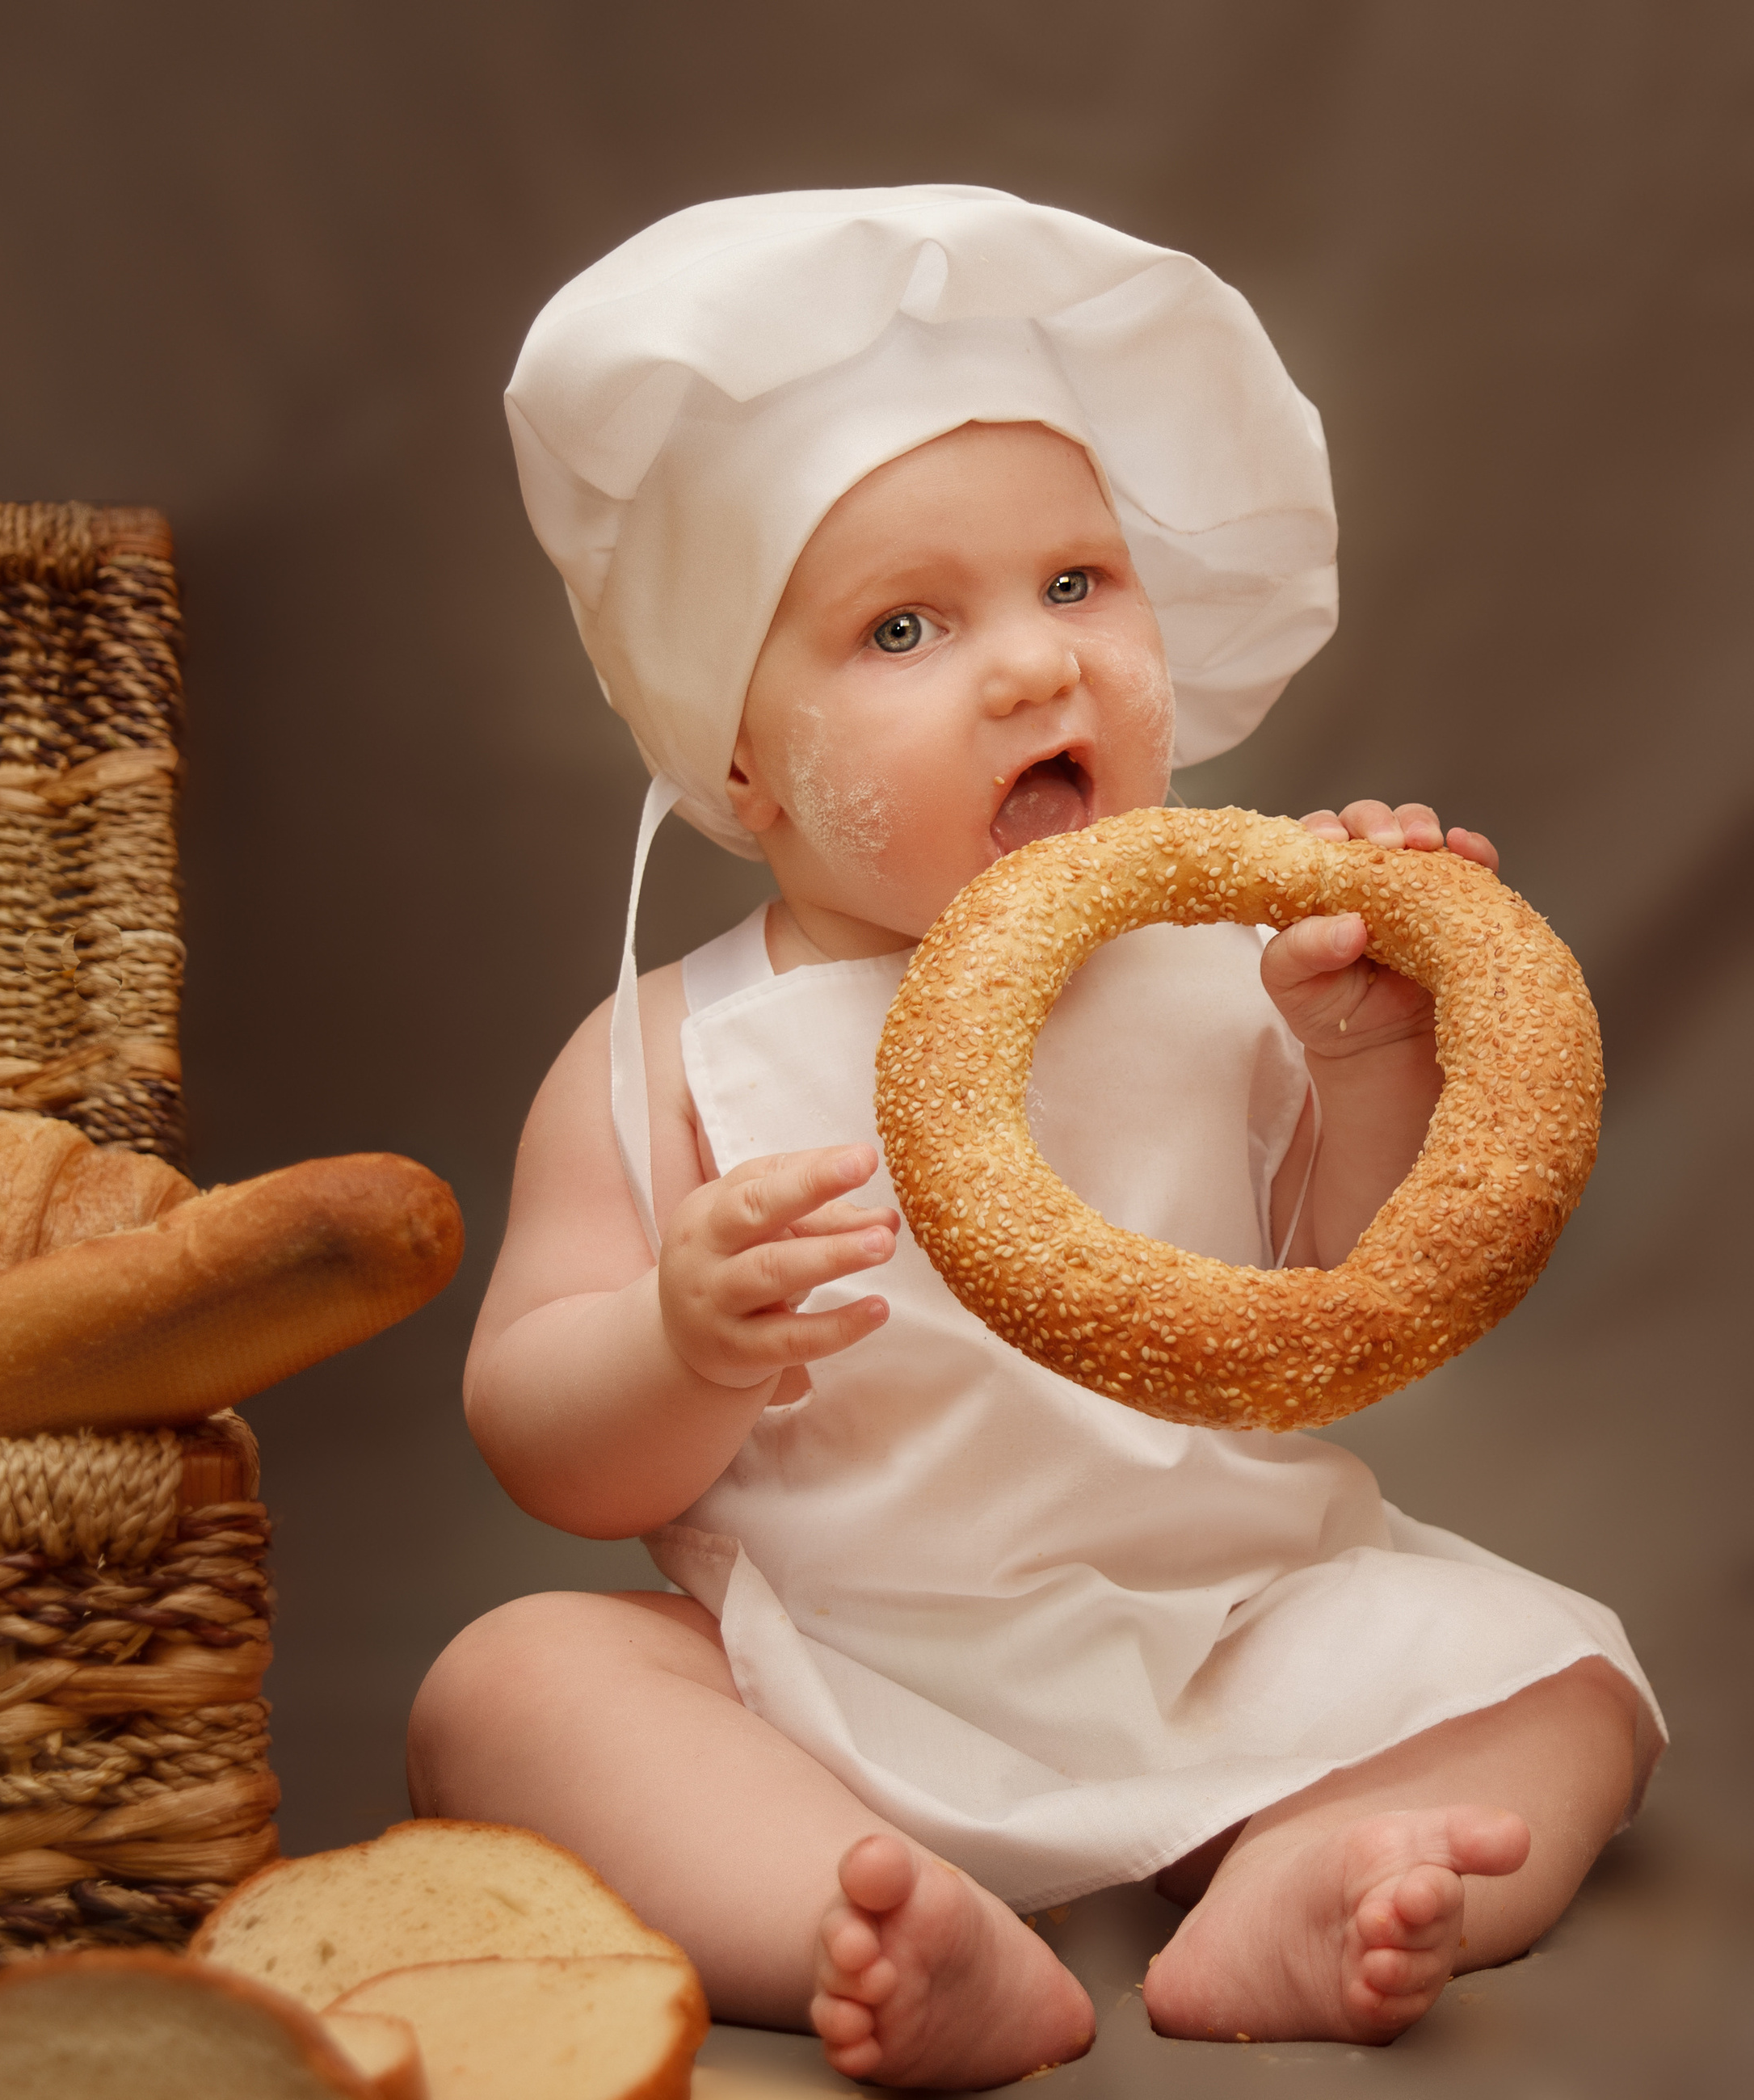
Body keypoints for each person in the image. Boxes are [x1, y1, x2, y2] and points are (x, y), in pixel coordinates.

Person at [407, 189, 1663, 2089]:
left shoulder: (1231, 966)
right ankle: (881, 1905)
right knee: (510, 1687)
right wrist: (677, 1339)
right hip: (835, 1676)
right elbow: (538, 1432)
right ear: (736, 764)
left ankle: (1315, 1872)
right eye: (902, 626)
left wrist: (1362, 1057)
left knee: (1569, 1682)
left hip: (1236, 1618)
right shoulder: (667, 1048)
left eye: (1076, 584)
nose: (1029, 668)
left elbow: (1344, 1285)